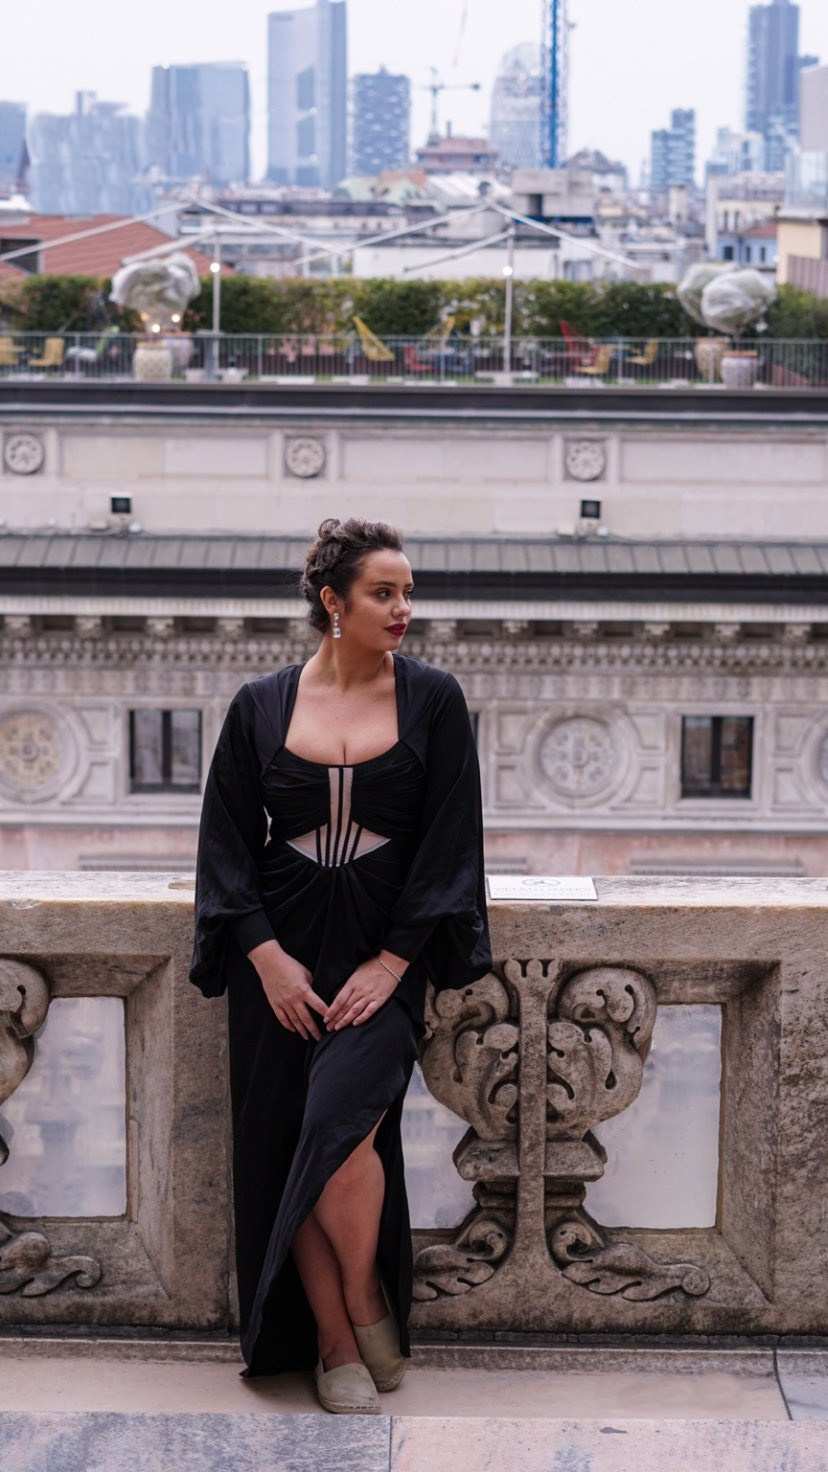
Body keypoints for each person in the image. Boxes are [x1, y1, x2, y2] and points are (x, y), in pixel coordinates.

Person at [189, 517, 491, 1414]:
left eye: (407, 592)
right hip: (278, 966)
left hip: (377, 963)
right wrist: (267, 960)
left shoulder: (434, 700)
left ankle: (365, 1296)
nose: (404, 609)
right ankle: (332, 1340)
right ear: (333, 602)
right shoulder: (259, 706)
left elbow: (449, 846)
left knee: (342, 1131)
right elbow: (226, 849)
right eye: (383, 593)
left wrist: (396, 964)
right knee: (291, 1147)